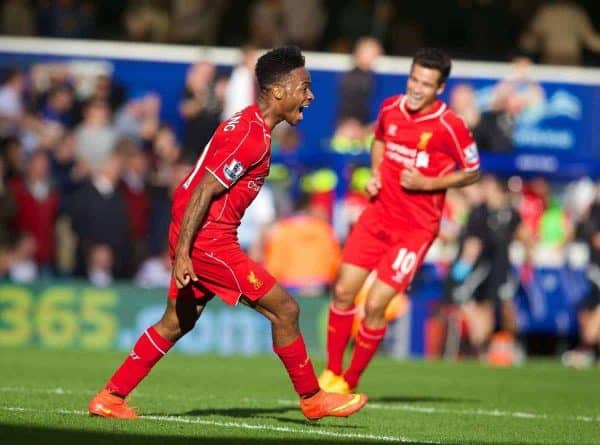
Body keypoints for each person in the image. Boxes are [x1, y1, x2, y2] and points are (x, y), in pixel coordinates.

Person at [88, 46, 367, 421]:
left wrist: (182, 246)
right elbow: (204, 189)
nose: (310, 95)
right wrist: (186, 252)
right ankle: (313, 398)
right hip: (209, 241)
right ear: (279, 91)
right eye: (305, 87)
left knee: (176, 322)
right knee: (286, 309)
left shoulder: (248, 124)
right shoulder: (250, 136)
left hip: (199, 236)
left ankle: (110, 397)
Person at [319, 48, 481, 394]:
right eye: (414, 79)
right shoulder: (391, 108)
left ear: (439, 89)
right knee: (344, 290)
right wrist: (376, 173)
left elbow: (473, 171)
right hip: (377, 214)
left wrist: (430, 184)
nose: (417, 88)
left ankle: (350, 381)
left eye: (426, 83)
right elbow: (378, 141)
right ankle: (331, 373)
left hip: (415, 229)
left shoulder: (448, 125)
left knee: (376, 304)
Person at [444, 175, 531, 363]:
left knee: (498, 307)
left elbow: (524, 235)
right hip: (481, 270)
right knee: (478, 307)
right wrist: (462, 270)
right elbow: (472, 246)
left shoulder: (509, 213)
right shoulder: (479, 212)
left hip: (498, 270)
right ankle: (483, 348)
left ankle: (506, 345)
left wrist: (527, 262)